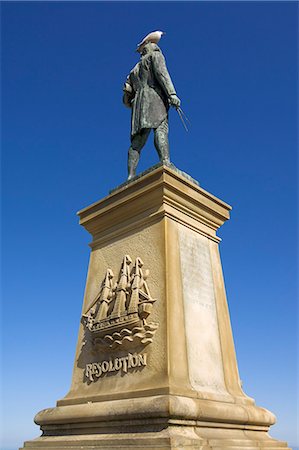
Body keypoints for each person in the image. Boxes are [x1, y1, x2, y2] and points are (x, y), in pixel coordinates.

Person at [123, 42, 181, 180]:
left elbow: (126, 98)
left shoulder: (133, 71)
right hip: (154, 97)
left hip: (138, 103)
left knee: (137, 141)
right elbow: (161, 74)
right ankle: (165, 161)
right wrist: (171, 94)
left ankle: (131, 175)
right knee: (160, 128)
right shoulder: (155, 56)